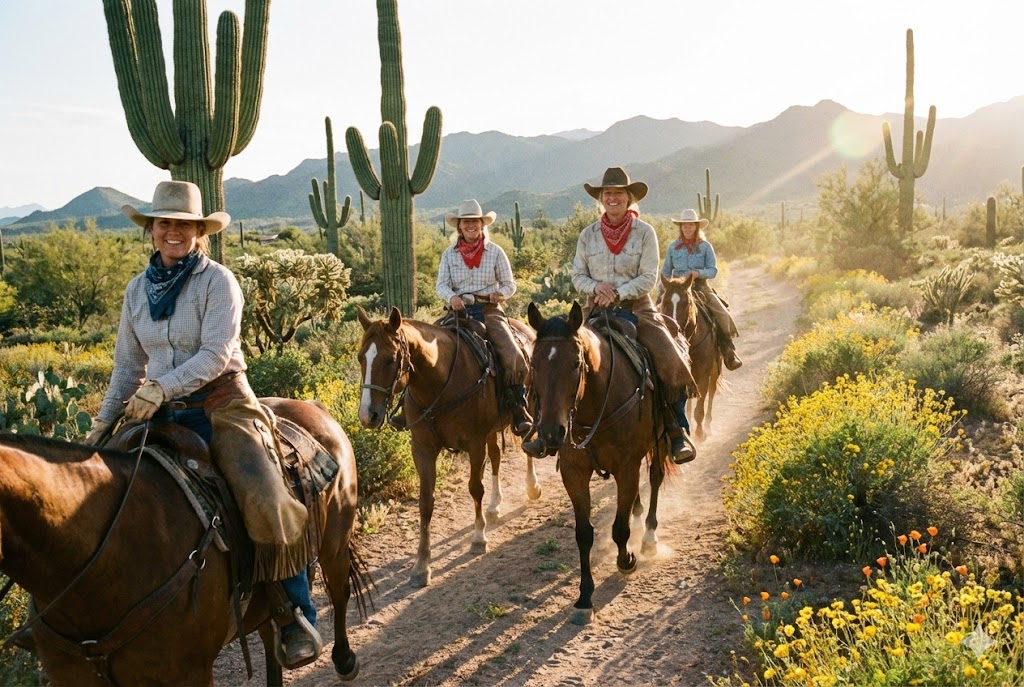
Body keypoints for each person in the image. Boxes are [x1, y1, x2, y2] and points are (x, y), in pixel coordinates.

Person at [85, 180, 321, 669]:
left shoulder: (218, 282)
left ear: (199, 232)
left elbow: (216, 355)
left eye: (184, 225)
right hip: (158, 408)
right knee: (100, 491)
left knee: (263, 493)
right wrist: (102, 424)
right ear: (152, 230)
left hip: (222, 403)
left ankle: (293, 612)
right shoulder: (136, 292)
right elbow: (128, 369)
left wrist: (162, 388)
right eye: (165, 223)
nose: (173, 232)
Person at [521, 167, 696, 463]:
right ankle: (542, 427)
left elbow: (649, 277)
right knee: (554, 359)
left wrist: (618, 291)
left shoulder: (645, 233)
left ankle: (677, 430)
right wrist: (596, 288)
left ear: (629, 198)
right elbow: (578, 275)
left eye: (618, 193)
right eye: (607, 194)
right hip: (593, 309)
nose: (612, 198)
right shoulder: (588, 235)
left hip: (636, 308)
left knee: (669, 358)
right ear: (601, 199)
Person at [427, 199, 532, 435]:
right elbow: (441, 284)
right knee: (424, 347)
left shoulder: (495, 252)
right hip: (458, 311)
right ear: (460, 226)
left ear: (482, 224)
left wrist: (500, 294)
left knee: (512, 352)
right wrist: (451, 297)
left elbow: (510, 284)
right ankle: (413, 406)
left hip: (488, 310)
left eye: (475, 221)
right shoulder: (449, 255)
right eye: (466, 222)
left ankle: (518, 407)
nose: (471, 225)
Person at [661, 208, 742, 370]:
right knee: (656, 315)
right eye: (684, 225)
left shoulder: (705, 247)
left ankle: (728, 349)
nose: (687, 228)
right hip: (676, 289)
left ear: (696, 227)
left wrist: (698, 273)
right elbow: (665, 271)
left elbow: (713, 270)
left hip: (700, 287)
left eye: (690, 225)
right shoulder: (673, 247)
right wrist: (664, 290)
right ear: (681, 227)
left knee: (722, 313)